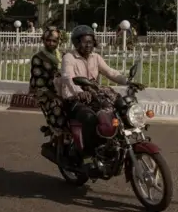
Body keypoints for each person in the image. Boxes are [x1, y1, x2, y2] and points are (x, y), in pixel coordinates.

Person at [57, 25, 144, 158]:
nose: (88, 45)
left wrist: (128, 81)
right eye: (84, 42)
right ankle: (88, 153)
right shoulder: (69, 57)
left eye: (91, 42)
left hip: (94, 95)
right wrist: (79, 92)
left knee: (120, 107)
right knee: (90, 118)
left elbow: (110, 72)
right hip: (74, 98)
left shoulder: (95, 57)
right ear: (77, 42)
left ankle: (115, 142)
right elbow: (68, 78)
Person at [28, 27, 67, 144]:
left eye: (54, 41)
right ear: (43, 40)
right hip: (45, 93)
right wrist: (55, 97)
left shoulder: (61, 56)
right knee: (58, 107)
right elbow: (40, 83)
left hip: (61, 90)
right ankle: (59, 137)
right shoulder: (38, 58)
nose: (51, 43)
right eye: (48, 40)